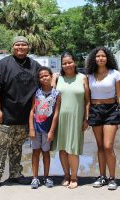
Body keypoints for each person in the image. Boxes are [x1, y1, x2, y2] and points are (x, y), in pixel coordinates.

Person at [0, 36, 41, 190]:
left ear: (28, 47)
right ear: (12, 47)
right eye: (17, 45)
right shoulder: (3, 65)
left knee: (17, 147)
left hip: (25, 117)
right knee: (1, 146)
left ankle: (15, 174)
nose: (20, 47)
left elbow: (44, 81)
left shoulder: (34, 65)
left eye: (24, 45)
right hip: (5, 114)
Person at [86, 46, 120, 190]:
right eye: (97, 56)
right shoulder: (89, 75)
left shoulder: (115, 74)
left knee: (108, 146)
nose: (100, 58)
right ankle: (102, 176)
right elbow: (86, 98)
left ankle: (112, 178)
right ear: (94, 58)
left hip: (111, 110)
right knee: (99, 146)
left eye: (103, 56)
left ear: (108, 58)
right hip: (95, 110)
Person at [51, 52, 90, 189]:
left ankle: (74, 177)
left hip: (76, 119)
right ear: (61, 64)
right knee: (62, 149)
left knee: (73, 149)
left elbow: (87, 101)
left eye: (70, 62)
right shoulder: (57, 78)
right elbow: (50, 97)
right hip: (60, 118)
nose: (67, 65)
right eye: (64, 63)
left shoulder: (83, 78)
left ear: (75, 62)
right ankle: (66, 175)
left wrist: (86, 119)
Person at [29, 66, 61, 189]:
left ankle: (47, 177)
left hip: (48, 130)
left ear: (51, 76)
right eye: (41, 76)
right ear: (39, 79)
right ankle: (35, 178)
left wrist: (52, 131)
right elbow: (32, 111)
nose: (44, 78)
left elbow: (56, 114)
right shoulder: (36, 92)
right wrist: (31, 128)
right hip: (36, 128)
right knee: (35, 152)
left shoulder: (56, 94)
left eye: (46, 75)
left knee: (46, 153)